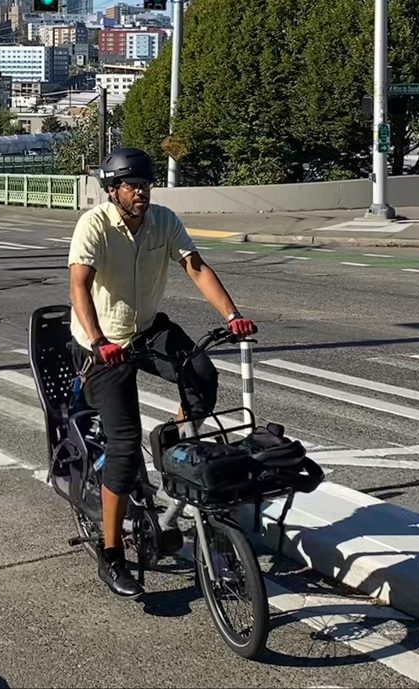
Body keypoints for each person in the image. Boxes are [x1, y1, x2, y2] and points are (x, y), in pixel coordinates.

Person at [67, 146, 256, 599]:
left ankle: (168, 439)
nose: (142, 193)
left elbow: (194, 266)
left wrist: (232, 317)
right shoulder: (93, 225)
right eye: (133, 186)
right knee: (123, 445)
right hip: (102, 344)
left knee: (203, 375)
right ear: (113, 191)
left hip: (148, 331)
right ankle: (112, 554)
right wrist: (98, 341)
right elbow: (79, 285)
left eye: (147, 185)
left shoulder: (164, 221)